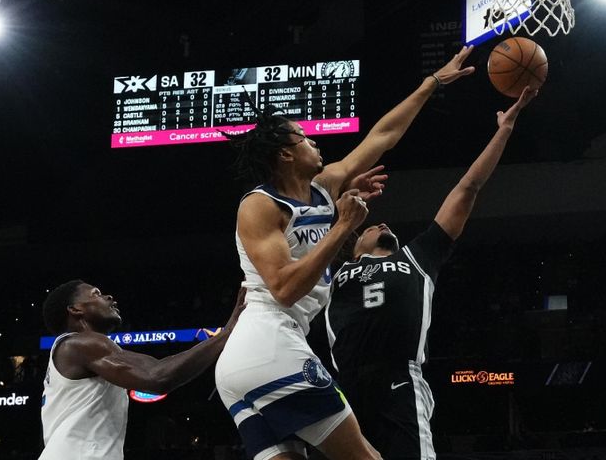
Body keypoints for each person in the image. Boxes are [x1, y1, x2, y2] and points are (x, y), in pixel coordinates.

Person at [214, 47, 475, 460]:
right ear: (285, 154)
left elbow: (382, 137)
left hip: (246, 365)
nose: (315, 142)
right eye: (304, 137)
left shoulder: (324, 186)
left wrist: (433, 83)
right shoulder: (260, 205)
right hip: (271, 341)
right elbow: (283, 288)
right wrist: (343, 226)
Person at [325, 86, 538, 459]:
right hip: (344, 391)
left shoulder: (417, 256)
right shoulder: (331, 266)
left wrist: (505, 128)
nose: (382, 223)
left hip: (398, 382)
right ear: (352, 243)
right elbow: (312, 211)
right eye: (370, 228)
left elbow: (468, 188)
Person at [39, 280, 246, 459]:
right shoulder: (81, 344)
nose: (109, 297)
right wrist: (225, 334)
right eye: (96, 294)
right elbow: (157, 376)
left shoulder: (72, 350)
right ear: (75, 309)